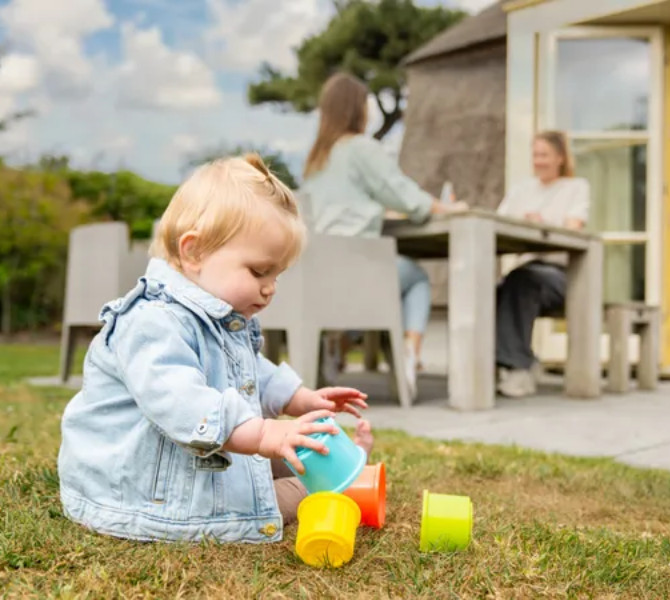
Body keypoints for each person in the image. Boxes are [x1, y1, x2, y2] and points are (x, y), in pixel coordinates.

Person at [58, 154, 373, 543]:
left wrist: (301, 399)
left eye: (277, 274)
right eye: (259, 271)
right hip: (140, 491)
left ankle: (341, 465)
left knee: (284, 452)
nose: (270, 287)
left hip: (191, 460)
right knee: (287, 492)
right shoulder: (153, 322)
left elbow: (251, 371)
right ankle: (331, 486)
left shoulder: (219, 318)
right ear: (194, 253)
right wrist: (261, 435)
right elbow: (181, 402)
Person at [300, 72, 467, 398]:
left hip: (315, 274)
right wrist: (446, 208)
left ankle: (341, 343)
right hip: (351, 269)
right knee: (413, 277)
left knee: (381, 280)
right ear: (357, 109)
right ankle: (410, 353)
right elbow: (403, 193)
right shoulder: (361, 148)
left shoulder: (316, 159)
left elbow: (343, 205)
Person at [495, 130, 590, 398]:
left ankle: (518, 369)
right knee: (495, 291)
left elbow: (575, 228)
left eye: (544, 154)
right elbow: (498, 224)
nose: (538, 160)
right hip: (524, 270)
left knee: (521, 282)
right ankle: (519, 362)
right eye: (535, 154)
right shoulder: (520, 190)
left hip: (561, 274)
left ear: (560, 157)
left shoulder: (576, 188)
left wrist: (544, 222)